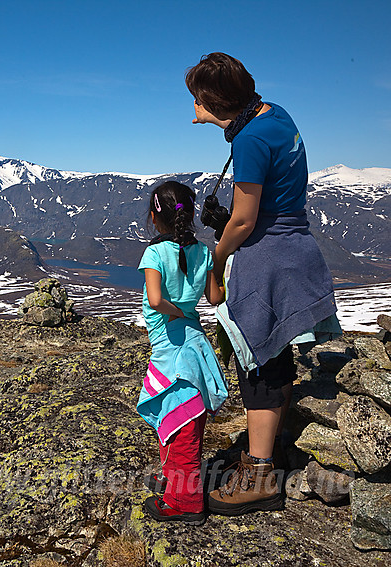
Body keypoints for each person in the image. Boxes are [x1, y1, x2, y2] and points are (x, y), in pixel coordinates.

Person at [185, 52, 338, 515]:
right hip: (296, 247)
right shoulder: (276, 115)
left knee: (256, 362)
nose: (192, 110)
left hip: (268, 258)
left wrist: (216, 255)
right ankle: (264, 449)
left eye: (196, 100)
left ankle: (259, 473)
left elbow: (246, 219)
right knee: (275, 356)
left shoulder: (249, 139)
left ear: (214, 100)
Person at [136, 180, 228, 525]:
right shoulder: (203, 252)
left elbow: (156, 300)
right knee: (182, 422)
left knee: (180, 426)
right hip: (195, 346)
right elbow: (215, 298)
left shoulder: (154, 254)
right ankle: (173, 481)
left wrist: (177, 312)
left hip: (173, 351)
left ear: (153, 216)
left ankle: (184, 502)